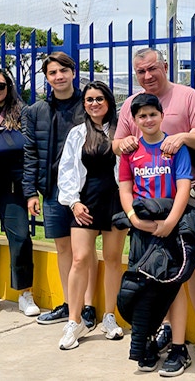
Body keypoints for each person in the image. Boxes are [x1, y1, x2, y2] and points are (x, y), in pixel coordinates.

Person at [113, 47, 195, 363]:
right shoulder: (132, 105)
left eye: (152, 69)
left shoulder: (187, 97)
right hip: (148, 200)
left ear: (165, 66)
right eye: (140, 72)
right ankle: (168, 328)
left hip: (185, 194)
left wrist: (183, 137)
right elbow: (118, 144)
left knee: (194, 263)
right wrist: (125, 143)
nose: (147, 76)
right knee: (155, 266)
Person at [22, 52, 98, 328]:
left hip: (86, 190)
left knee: (84, 251)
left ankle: (88, 307)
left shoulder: (88, 104)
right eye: (52, 73)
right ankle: (69, 304)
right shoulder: (36, 112)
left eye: (63, 71)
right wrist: (31, 192)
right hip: (53, 190)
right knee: (63, 249)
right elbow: (30, 154)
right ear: (47, 77)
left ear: (73, 73)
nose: (59, 77)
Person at [118, 93, 193, 375]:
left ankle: (177, 348)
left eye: (152, 114)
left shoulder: (175, 148)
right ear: (134, 121)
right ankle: (147, 342)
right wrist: (134, 219)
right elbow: (125, 188)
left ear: (162, 115)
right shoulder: (130, 151)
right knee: (144, 288)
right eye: (141, 116)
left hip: (171, 227)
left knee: (174, 285)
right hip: (142, 228)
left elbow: (183, 187)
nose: (147, 120)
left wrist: (171, 223)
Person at [57, 81, 127, 350]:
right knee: (80, 259)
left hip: (116, 202)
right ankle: (74, 321)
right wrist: (73, 202)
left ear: (108, 101)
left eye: (99, 99)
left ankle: (109, 316)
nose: (94, 103)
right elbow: (67, 171)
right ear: (84, 104)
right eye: (89, 100)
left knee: (112, 259)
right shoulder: (77, 134)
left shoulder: (120, 131)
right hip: (85, 202)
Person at [0, 68, 40, 317]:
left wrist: (29, 189)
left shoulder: (20, 112)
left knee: (21, 239)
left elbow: (29, 153)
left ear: (8, 87)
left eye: (0, 86)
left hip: (12, 188)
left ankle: (25, 293)